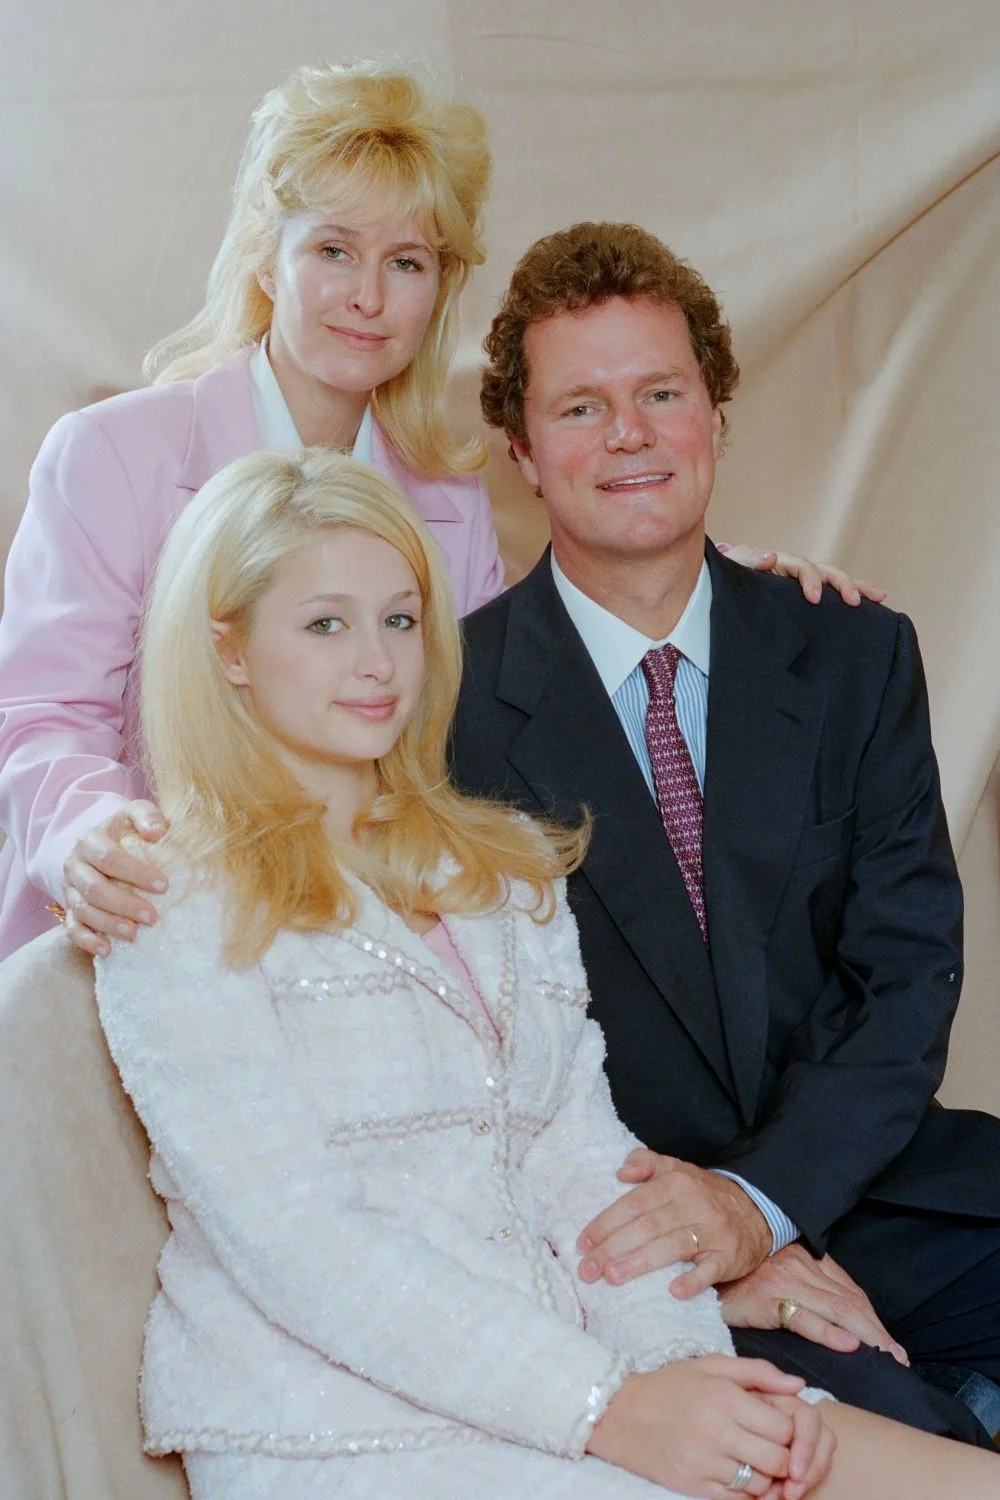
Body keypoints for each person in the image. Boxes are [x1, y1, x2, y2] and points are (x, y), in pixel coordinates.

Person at [94, 445, 999, 1500]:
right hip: (344, 1418)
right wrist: (611, 1409)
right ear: (232, 651)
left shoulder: (497, 870)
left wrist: (679, 1373)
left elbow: (583, 1161)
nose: (378, 663)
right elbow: (303, 1246)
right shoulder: (172, 901)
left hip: (577, 1350)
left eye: (398, 619)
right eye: (325, 624)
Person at [0, 61, 876, 969]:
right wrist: (93, 842)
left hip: (350, 943)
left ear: (439, 289)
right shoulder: (113, 453)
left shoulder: (444, 499)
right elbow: (40, 713)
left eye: (405, 262)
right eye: (333, 250)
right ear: (268, 255)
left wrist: (702, 578)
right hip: (138, 928)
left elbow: (514, 669)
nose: (369, 297)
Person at [450, 221, 1000, 1446]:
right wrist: (720, 1246)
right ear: (523, 450)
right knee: (903, 1452)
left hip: (877, 1184)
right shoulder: (446, 713)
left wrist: (764, 1201)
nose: (630, 434)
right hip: (646, 1247)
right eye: (581, 407)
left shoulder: (854, 652)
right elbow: (475, 1084)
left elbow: (906, 978)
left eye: (660, 393)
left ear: (715, 413)